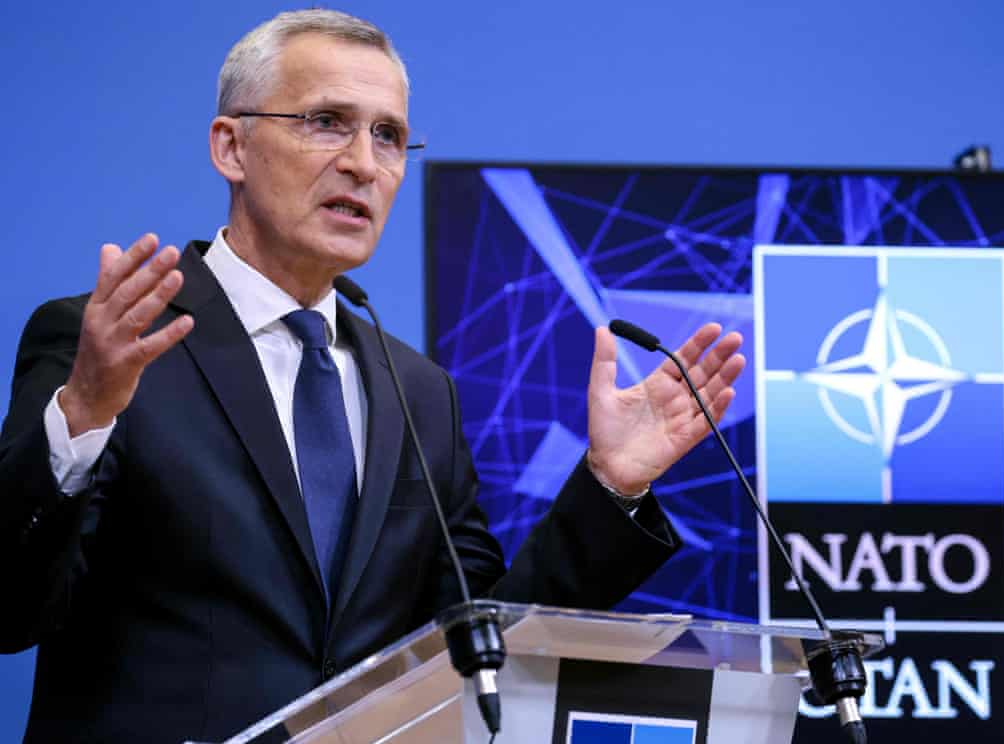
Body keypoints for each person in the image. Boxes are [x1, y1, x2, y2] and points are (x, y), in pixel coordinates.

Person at [0, 9, 745, 743]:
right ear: (231, 146)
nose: (363, 161)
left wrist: (611, 486)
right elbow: (10, 609)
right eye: (327, 121)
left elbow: (481, 643)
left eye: (387, 135)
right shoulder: (112, 345)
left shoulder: (418, 392)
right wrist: (85, 414)